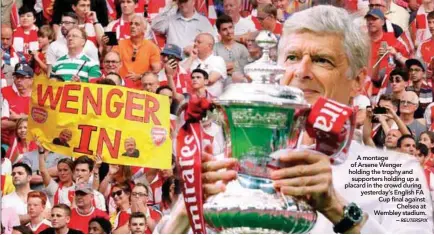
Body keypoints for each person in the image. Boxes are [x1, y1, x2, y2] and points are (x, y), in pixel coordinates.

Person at [157, 5, 433, 234]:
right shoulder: (227, 167)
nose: (301, 71)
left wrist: (339, 210)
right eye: (291, 57)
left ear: (357, 81)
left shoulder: (398, 175)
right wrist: (188, 208)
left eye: (322, 60)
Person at [110, 14, 161, 90]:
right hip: (121, 88)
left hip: (142, 89)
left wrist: (140, 76)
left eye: (137, 24)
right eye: (131, 24)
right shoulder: (119, 44)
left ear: (144, 29)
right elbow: (110, 62)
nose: (132, 26)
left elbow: (156, 69)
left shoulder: (152, 47)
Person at [151, 0, 215, 55]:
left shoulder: (203, 21)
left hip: (194, 61)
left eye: (185, 1)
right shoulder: (170, 20)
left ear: (193, 1)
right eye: (180, 1)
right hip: (173, 60)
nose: (182, 4)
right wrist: (170, 4)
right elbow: (154, 26)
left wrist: (195, 48)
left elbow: (212, 42)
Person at [1, 63, 33, 147]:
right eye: (16, 77)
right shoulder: (7, 96)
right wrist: (28, 122)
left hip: (33, 146)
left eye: (22, 77)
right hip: (11, 146)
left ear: (31, 79)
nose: (18, 80)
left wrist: (19, 118)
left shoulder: (39, 97)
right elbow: (3, 124)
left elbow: (45, 122)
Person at [214, 15, 249, 79]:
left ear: (233, 27)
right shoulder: (214, 48)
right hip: (219, 84)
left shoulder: (242, 48)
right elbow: (213, 67)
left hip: (239, 84)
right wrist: (237, 65)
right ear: (219, 32)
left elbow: (248, 67)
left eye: (230, 27)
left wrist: (230, 66)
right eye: (224, 29)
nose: (229, 32)